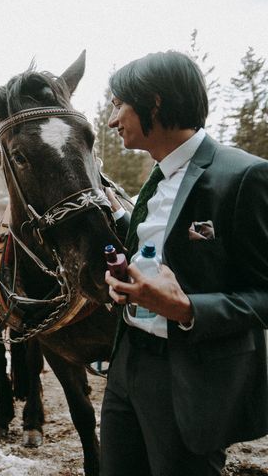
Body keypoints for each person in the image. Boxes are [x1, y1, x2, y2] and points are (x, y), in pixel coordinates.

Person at [101, 51, 268, 476]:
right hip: (127, 364)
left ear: (154, 103)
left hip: (190, 379)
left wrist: (187, 310)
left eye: (120, 104)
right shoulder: (155, 179)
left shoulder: (244, 176)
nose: (112, 120)